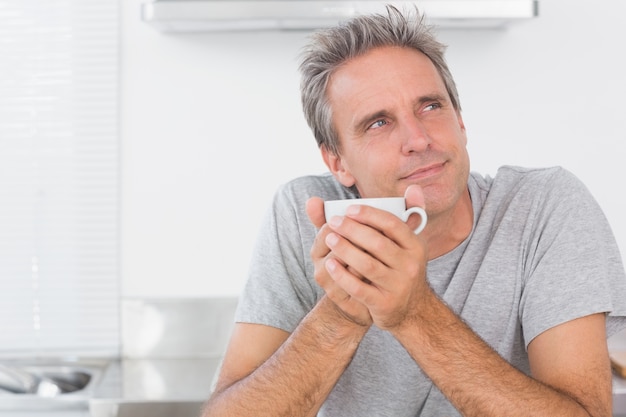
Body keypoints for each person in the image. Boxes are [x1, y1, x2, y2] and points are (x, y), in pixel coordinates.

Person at [203, 5, 626, 417]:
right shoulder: (302, 217)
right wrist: (342, 312)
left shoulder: (543, 207)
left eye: (430, 106)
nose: (419, 139)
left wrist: (414, 312)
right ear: (338, 162)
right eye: (378, 123)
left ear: (460, 121)